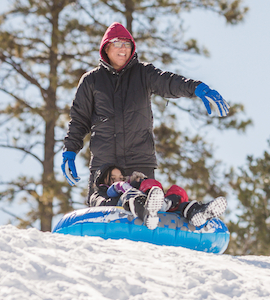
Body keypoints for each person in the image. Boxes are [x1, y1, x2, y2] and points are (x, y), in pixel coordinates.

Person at [60, 22, 230, 200]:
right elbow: (79, 121)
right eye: (117, 44)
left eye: (127, 44)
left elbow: (168, 82)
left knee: (142, 213)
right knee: (103, 213)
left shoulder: (143, 73)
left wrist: (196, 88)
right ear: (106, 48)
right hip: (105, 167)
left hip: (139, 165)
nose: (123, 49)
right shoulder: (91, 81)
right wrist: (70, 151)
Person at [89, 165, 227, 231]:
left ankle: (197, 212)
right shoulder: (100, 193)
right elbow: (101, 206)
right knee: (130, 196)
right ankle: (147, 212)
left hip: (152, 205)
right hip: (127, 206)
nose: (118, 181)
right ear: (103, 181)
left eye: (121, 178)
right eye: (112, 179)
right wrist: (119, 193)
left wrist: (139, 183)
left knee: (176, 191)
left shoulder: (129, 187)